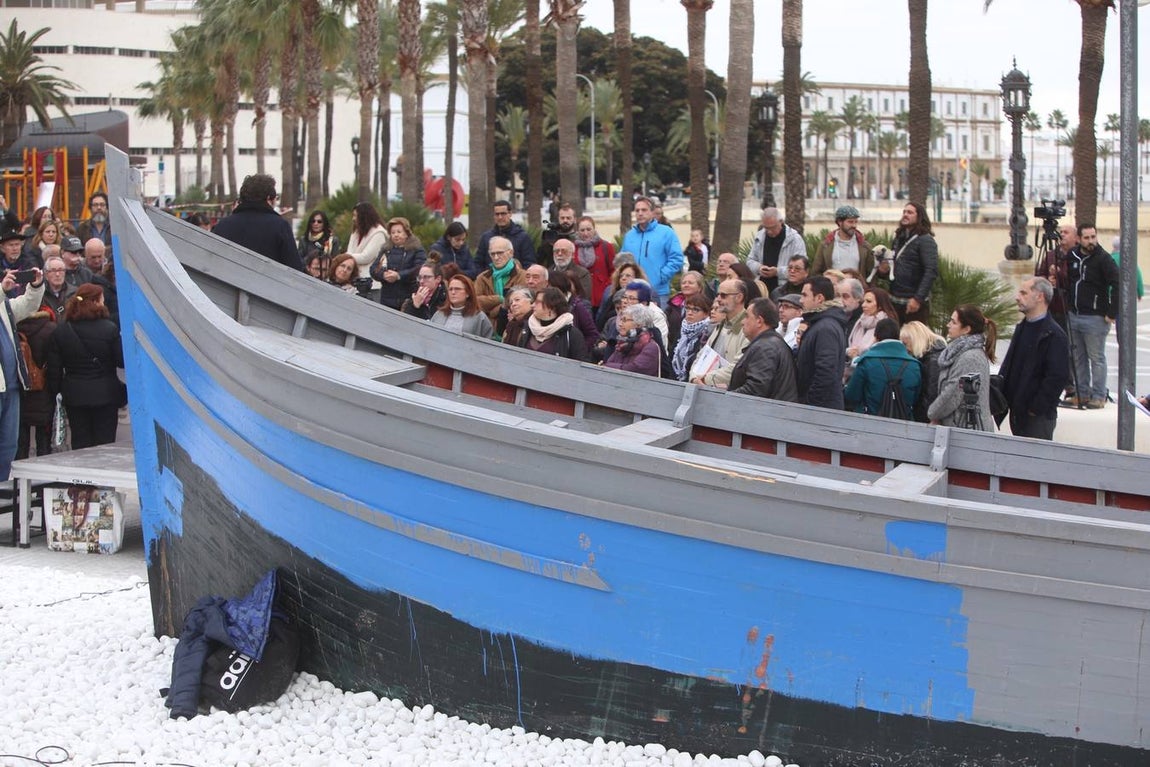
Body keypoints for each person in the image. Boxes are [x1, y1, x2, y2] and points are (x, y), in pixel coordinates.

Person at [47, 283, 122, 450]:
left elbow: (54, 369)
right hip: (105, 395)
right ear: (96, 302)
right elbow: (121, 361)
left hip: (75, 395)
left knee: (80, 443)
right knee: (105, 444)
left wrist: (59, 391)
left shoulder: (62, 331)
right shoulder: (109, 329)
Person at [998, 277, 1069, 440]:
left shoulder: (1054, 335)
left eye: (1024, 293)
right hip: (1018, 413)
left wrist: (1036, 408)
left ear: (1040, 297)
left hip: (1037, 418)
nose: (1017, 297)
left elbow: (1057, 376)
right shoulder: (1023, 327)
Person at [1062, 223, 1118, 409]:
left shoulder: (1103, 259)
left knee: (1097, 358)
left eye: (1093, 237)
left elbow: (1117, 284)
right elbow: (1069, 281)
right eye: (1087, 238)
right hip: (1075, 315)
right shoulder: (1073, 256)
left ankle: (1099, 395)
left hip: (1095, 317)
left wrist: (1111, 312)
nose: (1091, 241)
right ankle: (1081, 393)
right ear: (1079, 239)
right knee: (1077, 357)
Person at [0, 258, 45, 478]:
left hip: (11, 385)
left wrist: (35, 286)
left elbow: (27, 305)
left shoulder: (3, 307)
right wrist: (2, 290)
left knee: (9, 444)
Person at [212, 175, 304, 271]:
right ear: (269, 198)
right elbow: (294, 267)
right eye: (276, 198)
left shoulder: (222, 225)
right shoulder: (280, 226)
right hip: (269, 283)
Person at [927, 304, 997, 431]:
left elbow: (953, 393)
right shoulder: (958, 353)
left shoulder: (970, 358)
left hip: (968, 432)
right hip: (959, 428)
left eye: (953, 322)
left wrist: (933, 413)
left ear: (966, 329)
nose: (948, 325)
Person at [844, 317, 921, 418]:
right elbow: (915, 399)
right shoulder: (914, 365)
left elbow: (852, 396)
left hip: (868, 423)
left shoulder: (867, 361)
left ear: (875, 337)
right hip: (903, 425)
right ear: (898, 337)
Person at [727, 298, 800, 402]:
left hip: (765, 414)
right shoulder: (768, 344)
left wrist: (726, 397)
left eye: (747, 316)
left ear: (759, 321)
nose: (743, 322)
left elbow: (755, 390)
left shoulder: (766, 348)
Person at [878, 201, 938, 325]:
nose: (905, 215)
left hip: (913, 303)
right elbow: (893, 265)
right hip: (894, 299)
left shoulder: (926, 241)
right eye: (904, 212)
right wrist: (883, 270)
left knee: (914, 340)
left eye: (910, 212)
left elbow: (931, 271)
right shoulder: (898, 238)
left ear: (919, 216)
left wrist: (918, 298)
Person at [620, 196, 682, 307]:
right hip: (632, 294)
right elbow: (623, 262)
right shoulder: (629, 236)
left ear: (652, 212)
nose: (640, 213)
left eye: (644, 210)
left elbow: (676, 259)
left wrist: (661, 277)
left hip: (658, 293)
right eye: (637, 210)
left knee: (656, 324)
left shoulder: (666, 232)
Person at [796, 276, 848, 410]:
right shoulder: (821, 324)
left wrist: (810, 404)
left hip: (821, 412)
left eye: (804, 295)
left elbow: (826, 371)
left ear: (819, 298)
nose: (800, 300)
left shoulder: (825, 328)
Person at [692, 279, 749, 389]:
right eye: (718, 295)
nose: (718, 299)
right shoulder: (720, 325)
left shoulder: (748, 327)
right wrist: (694, 378)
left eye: (723, 295)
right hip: (708, 388)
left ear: (739, 297)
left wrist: (704, 378)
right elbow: (702, 356)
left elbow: (738, 367)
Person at [16, 306, 55, 460]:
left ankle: (19, 479)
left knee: (21, 439)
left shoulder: (13, 328)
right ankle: (44, 475)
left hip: (20, 389)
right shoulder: (51, 329)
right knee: (44, 437)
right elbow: (55, 363)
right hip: (44, 389)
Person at [514, 286, 586, 360]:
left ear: (551, 306)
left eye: (537, 302)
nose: (532, 305)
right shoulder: (527, 328)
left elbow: (578, 365)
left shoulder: (571, 334)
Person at [746, 207, 806, 296]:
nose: (769, 231)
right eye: (766, 228)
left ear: (781, 222)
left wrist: (777, 272)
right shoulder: (760, 237)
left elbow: (801, 268)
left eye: (773, 227)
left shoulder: (794, 239)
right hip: (762, 289)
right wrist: (759, 268)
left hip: (785, 290)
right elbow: (750, 261)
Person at [370, 217, 426, 310]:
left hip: (407, 297)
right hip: (387, 299)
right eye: (393, 233)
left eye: (399, 232)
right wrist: (383, 275)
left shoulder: (416, 249)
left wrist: (399, 275)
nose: (396, 235)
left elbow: (419, 268)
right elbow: (373, 269)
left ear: (407, 233)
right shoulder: (386, 250)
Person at [900, 320, 947, 423]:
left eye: (905, 344)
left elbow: (931, 395)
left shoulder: (932, 361)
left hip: (927, 418)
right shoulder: (934, 356)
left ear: (916, 340)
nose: (905, 349)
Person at [475, 235, 527, 325]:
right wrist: (499, 299)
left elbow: (520, 305)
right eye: (492, 254)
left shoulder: (522, 276)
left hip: (513, 326)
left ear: (510, 253)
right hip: (486, 327)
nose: (496, 257)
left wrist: (493, 311)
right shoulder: (482, 277)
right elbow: (475, 303)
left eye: (500, 253)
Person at [812, 205, 875, 278]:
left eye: (856, 222)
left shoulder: (864, 246)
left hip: (857, 287)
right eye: (850, 222)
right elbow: (816, 272)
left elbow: (871, 273)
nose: (854, 225)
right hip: (833, 288)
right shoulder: (826, 245)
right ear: (839, 222)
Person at [475, 200, 537, 272]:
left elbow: (529, 264)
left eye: (503, 214)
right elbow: (478, 263)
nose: (500, 217)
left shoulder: (523, 237)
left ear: (510, 214)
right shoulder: (486, 238)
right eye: (497, 214)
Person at [604, 303, 662, 376]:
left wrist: (607, 366)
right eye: (620, 320)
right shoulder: (622, 343)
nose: (620, 324)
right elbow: (609, 362)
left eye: (624, 320)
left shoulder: (651, 347)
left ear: (639, 323)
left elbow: (634, 369)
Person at [573, 216, 615, 311]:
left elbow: (613, 271)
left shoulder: (606, 246)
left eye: (589, 229)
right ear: (578, 231)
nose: (586, 233)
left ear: (594, 229)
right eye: (582, 230)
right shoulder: (573, 248)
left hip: (601, 295)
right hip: (580, 295)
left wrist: (607, 287)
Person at [846, 287, 897, 364]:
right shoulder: (860, 321)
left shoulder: (887, 325)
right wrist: (849, 351)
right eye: (863, 301)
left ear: (880, 305)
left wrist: (856, 358)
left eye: (868, 301)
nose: (863, 305)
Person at [346, 202, 389, 291]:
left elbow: (366, 257)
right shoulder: (356, 232)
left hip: (372, 285)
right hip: (355, 282)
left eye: (355, 216)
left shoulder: (378, 234)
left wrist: (345, 257)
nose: (353, 219)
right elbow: (350, 252)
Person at [670, 293, 713, 382]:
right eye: (687, 308)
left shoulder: (708, 333)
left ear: (706, 313)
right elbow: (671, 356)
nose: (689, 312)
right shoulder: (683, 330)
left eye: (695, 310)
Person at [596, 259, 645, 329]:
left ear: (637, 278)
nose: (623, 278)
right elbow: (600, 322)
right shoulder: (611, 297)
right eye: (621, 276)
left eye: (628, 276)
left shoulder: (643, 298)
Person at [666, 271, 707, 351]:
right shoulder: (673, 304)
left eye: (690, 283)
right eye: (684, 283)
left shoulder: (705, 306)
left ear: (700, 287)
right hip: (671, 348)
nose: (686, 285)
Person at [539, 202, 578, 266]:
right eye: (562, 218)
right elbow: (540, 260)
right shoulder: (551, 237)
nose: (565, 221)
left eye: (568, 218)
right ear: (558, 219)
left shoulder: (579, 238)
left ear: (574, 220)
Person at [39, 255, 75, 319]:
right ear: (46, 274)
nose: (57, 274)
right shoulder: (40, 295)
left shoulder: (74, 292)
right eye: (53, 271)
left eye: (61, 270)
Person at [1109, 235, 1143, 302]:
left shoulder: (1109, 259)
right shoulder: (1129, 259)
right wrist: (1140, 293)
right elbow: (1137, 276)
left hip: (1111, 294)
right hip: (1127, 295)